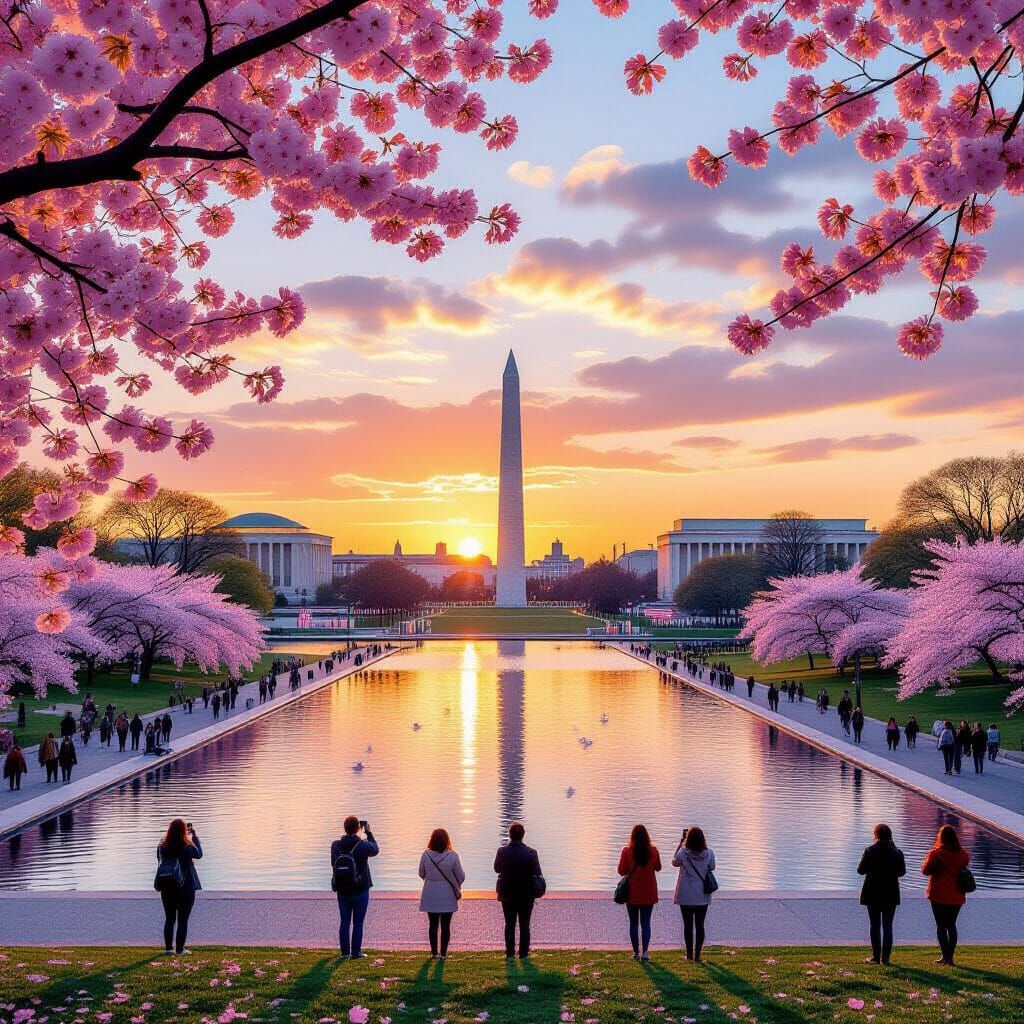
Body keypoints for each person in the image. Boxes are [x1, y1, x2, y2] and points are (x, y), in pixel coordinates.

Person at [857, 823, 907, 965]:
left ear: (876, 835)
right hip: (890, 892)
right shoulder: (897, 852)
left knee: (874, 925)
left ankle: (875, 956)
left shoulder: (870, 851)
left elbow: (861, 870)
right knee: (888, 926)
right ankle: (885, 959)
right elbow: (902, 872)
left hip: (872, 891)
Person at [330, 815, 380, 958]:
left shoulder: (335, 845)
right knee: (358, 922)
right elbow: (376, 850)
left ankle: (345, 952)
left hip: (342, 889)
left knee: (344, 921)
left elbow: (333, 864)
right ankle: (356, 952)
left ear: (345, 828)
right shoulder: (363, 845)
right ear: (358, 829)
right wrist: (369, 833)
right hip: (360, 888)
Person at [921, 825, 970, 966]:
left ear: (940, 837)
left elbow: (925, 870)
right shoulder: (963, 855)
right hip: (957, 895)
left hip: (939, 894)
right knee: (951, 925)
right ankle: (950, 957)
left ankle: (945, 956)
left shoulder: (936, 854)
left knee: (941, 926)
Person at [494, 821, 543, 960]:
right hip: (526, 894)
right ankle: (523, 953)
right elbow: (537, 872)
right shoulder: (531, 853)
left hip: (507, 894)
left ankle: (510, 953)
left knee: (509, 924)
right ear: (523, 836)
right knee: (524, 924)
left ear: (510, 835)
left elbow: (496, 869)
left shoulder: (502, 851)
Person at [156, 818, 203, 955]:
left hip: (167, 886)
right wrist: (194, 837)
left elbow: (159, 860)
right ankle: (180, 949)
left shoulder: (162, 846)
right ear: (185, 831)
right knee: (183, 919)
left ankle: (168, 949)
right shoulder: (187, 847)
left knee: (169, 918)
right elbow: (199, 854)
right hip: (185, 887)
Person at [418, 827, 466, 960]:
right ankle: (443, 954)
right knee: (446, 926)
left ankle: (433, 953)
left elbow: (421, 873)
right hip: (447, 894)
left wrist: (431, 879)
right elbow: (461, 876)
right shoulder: (453, 856)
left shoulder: (425, 855)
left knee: (432, 925)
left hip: (430, 893)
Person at [616, 824, 662, 960]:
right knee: (646, 923)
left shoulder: (626, 851)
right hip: (649, 891)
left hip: (632, 893)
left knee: (634, 923)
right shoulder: (653, 851)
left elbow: (621, 871)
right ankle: (646, 952)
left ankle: (636, 952)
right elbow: (658, 867)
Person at [672, 825, 716, 962]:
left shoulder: (683, 852)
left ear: (688, 838)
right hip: (702, 895)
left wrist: (680, 844)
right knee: (700, 925)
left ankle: (689, 954)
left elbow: (674, 862)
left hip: (686, 895)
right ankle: (697, 955)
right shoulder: (709, 853)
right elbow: (712, 867)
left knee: (688, 926)